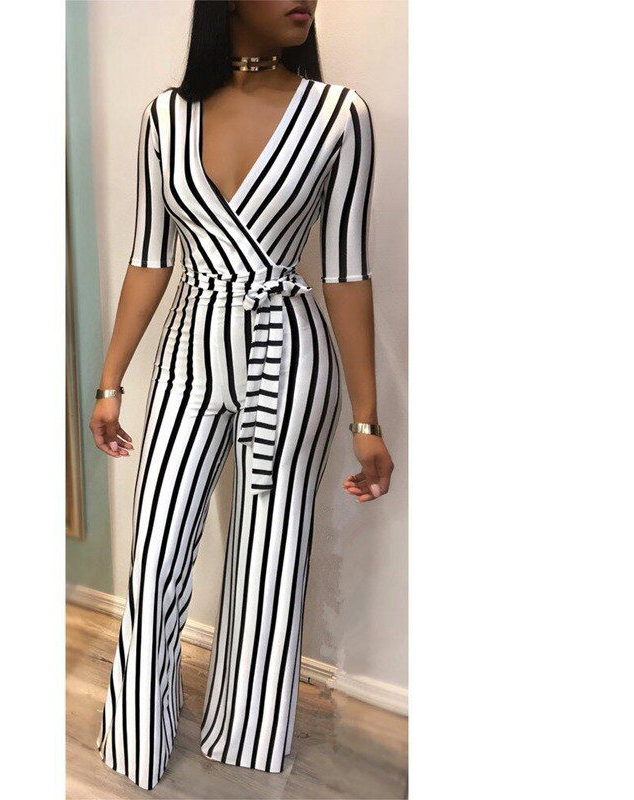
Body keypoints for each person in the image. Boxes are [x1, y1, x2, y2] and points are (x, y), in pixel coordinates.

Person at [88, 0, 394, 789]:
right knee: (157, 546)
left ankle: (248, 741)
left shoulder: (339, 115)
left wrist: (367, 420)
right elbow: (150, 256)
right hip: (191, 350)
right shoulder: (166, 117)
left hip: (290, 353)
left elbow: (347, 271)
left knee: (272, 553)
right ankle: (136, 738)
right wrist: (110, 380)